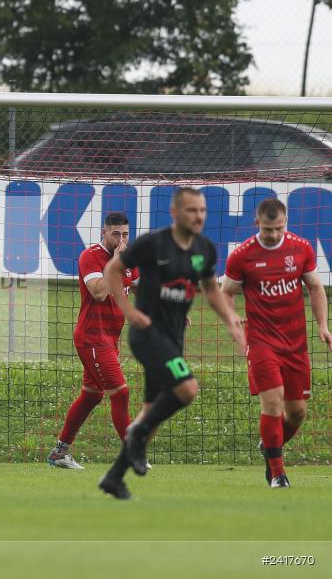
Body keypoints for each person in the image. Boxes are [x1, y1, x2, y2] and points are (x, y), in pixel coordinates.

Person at [97, 187, 246, 499]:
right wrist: (128, 311)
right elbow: (113, 270)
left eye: (202, 211)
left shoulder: (205, 249)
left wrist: (231, 318)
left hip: (173, 338)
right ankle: (135, 436)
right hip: (147, 333)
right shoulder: (154, 243)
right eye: (192, 211)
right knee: (187, 388)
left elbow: (211, 289)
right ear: (175, 213)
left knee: (151, 415)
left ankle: (114, 477)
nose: (199, 216)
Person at [221, 198, 332, 488]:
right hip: (260, 341)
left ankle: (270, 446)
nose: (273, 234)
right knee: (272, 401)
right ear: (257, 223)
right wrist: (233, 321)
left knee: (296, 412)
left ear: (286, 223)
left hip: (295, 344)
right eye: (268, 229)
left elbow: (315, 287)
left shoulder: (300, 248)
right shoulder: (242, 255)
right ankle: (278, 473)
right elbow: (226, 293)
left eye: (279, 228)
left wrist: (322, 325)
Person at [48, 212, 138, 470]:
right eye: (115, 234)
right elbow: (98, 292)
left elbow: (144, 289)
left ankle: (59, 452)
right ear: (103, 232)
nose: (121, 239)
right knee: (120, 393)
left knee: (91, 396)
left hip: (110, 339)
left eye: (125, 234)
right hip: (92, 337)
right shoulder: (90, 256)